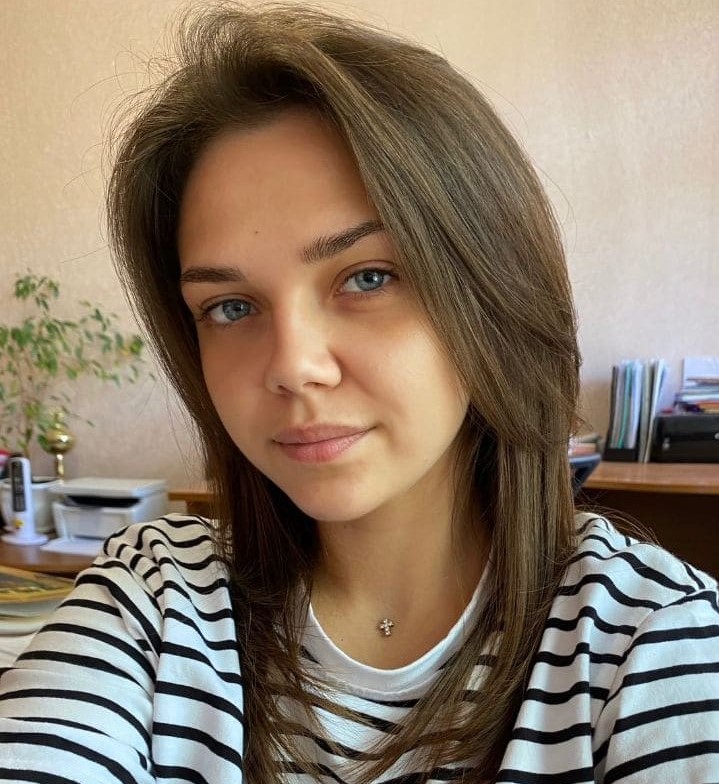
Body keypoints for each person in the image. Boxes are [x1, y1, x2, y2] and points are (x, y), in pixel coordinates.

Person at [1, 5, 718, 783]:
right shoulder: (156, 598)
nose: (293, 366)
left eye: (368, 277)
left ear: (489, 289)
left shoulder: (654, 645)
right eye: (230, 307)